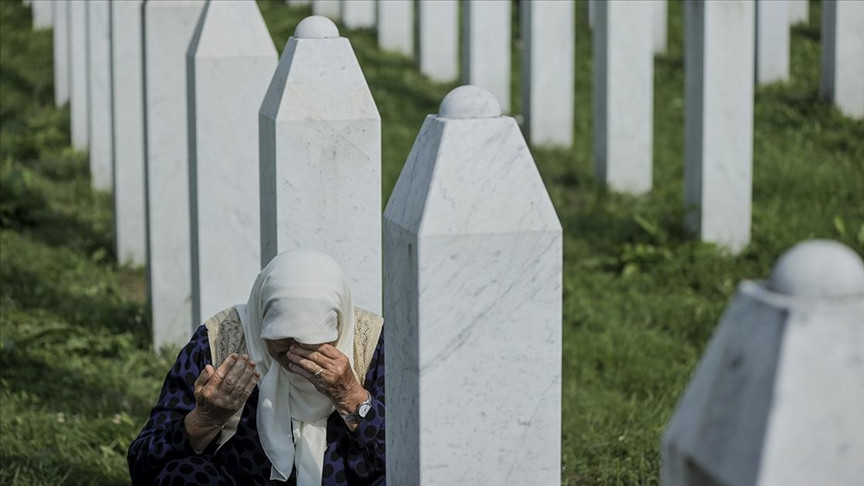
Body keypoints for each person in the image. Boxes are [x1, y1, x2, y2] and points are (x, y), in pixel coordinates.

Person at [128, 250, 385, 485]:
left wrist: (351, 397)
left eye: (312, 339)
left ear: (339, 326)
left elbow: (414, 455)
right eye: (282, 336)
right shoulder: (220, 342)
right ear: (262, 319)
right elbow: (144, 463)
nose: (296, 351)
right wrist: (204, 419)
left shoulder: (371, 346)